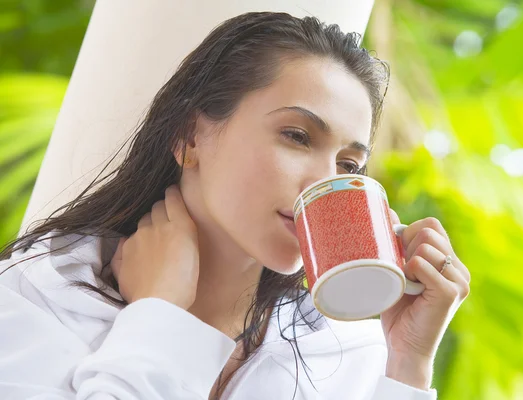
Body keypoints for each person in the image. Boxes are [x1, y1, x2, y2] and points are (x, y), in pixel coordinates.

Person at [0, 11, 470, 400]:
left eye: (349, 165)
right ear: (190, 136)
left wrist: (408, 364)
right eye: (297, 136)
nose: (326, 182)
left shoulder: (349, 356)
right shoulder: (32, 302)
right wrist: (159, 317)